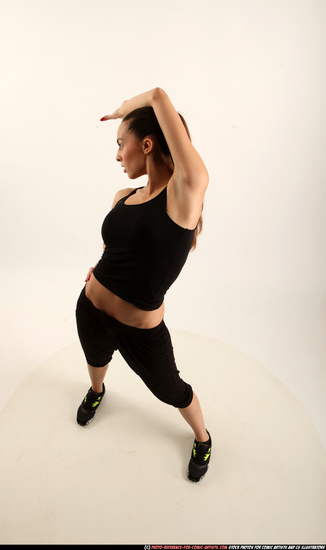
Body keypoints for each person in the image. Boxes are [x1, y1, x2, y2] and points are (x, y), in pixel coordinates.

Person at [75, 87, 211, 482]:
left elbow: (158, 96)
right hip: (91, 306)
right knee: (95, 359)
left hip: (141, 332)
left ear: (147, 144)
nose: (118, 156)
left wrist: (136, 103)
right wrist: (97, 265)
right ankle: (98, 391)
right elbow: (115, 246)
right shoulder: (123, 196)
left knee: (172, 390)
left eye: (122, 144)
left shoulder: (183, 197)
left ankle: (202, 437)